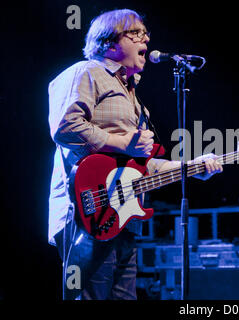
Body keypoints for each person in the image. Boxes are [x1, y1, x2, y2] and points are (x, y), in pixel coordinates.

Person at [48, 9, 222, 300]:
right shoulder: (86, 72)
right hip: (87, 213)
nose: (147, 38)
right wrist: (123, 142)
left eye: (146, 33)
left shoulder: (132, 95)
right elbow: (65, 127)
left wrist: (190, 167)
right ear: (109, 42)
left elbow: (138, 165)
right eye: (136, 33)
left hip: (124, 218)